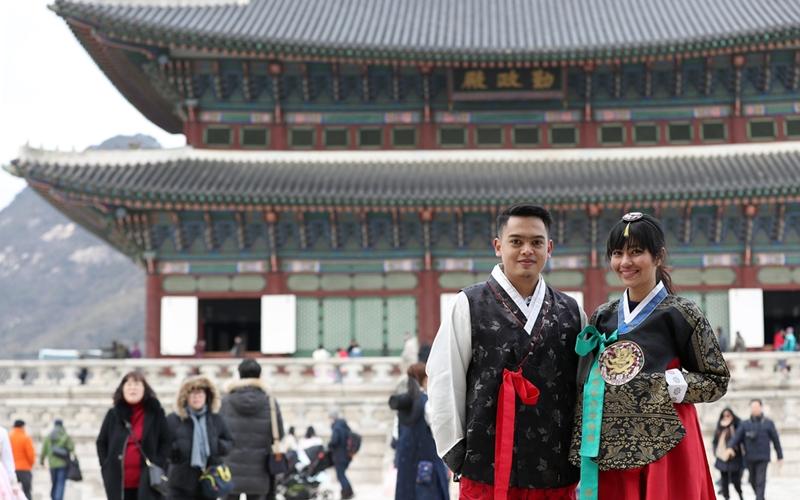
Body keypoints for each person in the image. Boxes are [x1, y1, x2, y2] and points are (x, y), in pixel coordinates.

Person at [427, 204, 586, 499]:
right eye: (516, 241)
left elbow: (583, 388)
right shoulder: (469, 304)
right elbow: (443, 379)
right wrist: (454, 450)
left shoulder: (572, 312)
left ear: (549, 248)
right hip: (486, 468)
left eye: (536, 242)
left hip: (555, 469)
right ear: (498, 246)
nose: (527, 250)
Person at [571, 212, 729, 500]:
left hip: (665, 446)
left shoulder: (682, 313)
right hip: (609, 447)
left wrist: (665, 385)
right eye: (617, 253)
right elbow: (584, 379)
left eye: (636, 252)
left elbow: (716, 380)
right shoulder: (602, 316)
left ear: (658, 256)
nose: (625, 262)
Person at [96, 372, 171, 500]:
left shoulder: (155, 413)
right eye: (128, 384)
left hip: (148, 481)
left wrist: (158, 463)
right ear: (122, 389)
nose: (132, 388)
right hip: (118, 481)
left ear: (144, 389)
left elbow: (166, 441)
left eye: (137, 384)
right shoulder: (113, 414)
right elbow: (101, 442)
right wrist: (106, 465)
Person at [220, 358, 285, 500]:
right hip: (260, 468)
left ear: (239, 375)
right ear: (260, 375)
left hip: (230, 468)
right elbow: (279, 433)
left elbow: (217, 434)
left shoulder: (225, 401)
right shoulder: (270, 402)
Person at [167, 375, 233, 499]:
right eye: (192, 394)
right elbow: (163, 444)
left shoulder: (216, 419)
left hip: (208, 481)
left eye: (200, 393)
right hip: (180, 483)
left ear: (207, 396)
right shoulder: (174, 419)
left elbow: (229, 442)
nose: (196, 397)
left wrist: (217, 446)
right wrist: (175, 451)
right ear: (185, 397)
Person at [389, 362, 449, 500]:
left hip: (406, 467)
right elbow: (438, 434)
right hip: (428, 464)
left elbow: (396, 436)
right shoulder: (427, 403)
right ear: (424, 379)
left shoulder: (402, 405)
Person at [726, 399, 783, 500]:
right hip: (749, 458)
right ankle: (760, 497)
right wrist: (729, 447)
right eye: (753, 407)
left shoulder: (768, 423)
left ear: (761, 408)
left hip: (763, 458)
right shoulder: (745, 424)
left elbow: (776, 440)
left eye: (757, 407)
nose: (755, 409)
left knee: (760, 481)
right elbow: (736, 438)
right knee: (752, 480)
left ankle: (759, 498)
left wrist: (780, 456)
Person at [713, 408, 744, 500]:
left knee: (735, 480)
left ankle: (740, 495)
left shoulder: (736, 426)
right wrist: (715, 451)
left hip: (734, 457)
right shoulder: (719, 427)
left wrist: (733, 449)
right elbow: (715, 441)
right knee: (724, 480)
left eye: (728, 415)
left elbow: (739, 439)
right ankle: (726, 497)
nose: (726, 417)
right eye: (724, 415)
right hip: (722, 458)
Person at [40, 419, 74, 500]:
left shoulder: (49, 436)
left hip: (52, 464)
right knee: (61, 483)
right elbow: (71, 448)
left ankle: (54, 497)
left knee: (54, 483)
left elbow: (44, 450)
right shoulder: (65, 435)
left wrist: (41, 461)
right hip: (63, 463)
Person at [328, 410, 354, 499]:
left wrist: (329, 445)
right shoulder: (345, 426)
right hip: (346, 455)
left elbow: (335, 441)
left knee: (340, 475)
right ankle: (349, 491)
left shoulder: (337, 427)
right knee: (342, 474)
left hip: (339, 455)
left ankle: (347, 493)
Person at [9, 419, 35, 499]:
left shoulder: (9, 437)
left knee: (12, 491)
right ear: (23, 426)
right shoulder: (26, 438)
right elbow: (31, 455)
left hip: (12, 468)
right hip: (24, 468)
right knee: (27, 491)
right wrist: (30, 464)